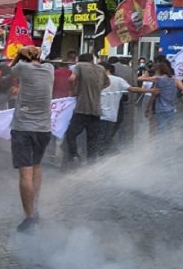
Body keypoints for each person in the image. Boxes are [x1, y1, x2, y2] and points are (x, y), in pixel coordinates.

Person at [9, 46, 54, 232]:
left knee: (25, 173)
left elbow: (12, 67)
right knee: (37, 167)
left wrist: (20, 55)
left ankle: (29, 217)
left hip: (23, 128)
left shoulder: (22, 68)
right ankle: (35, 208)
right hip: (44, 129)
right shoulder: (50, 69)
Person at [64, 52, 109, 165]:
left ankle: (74, 155)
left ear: (80, 60)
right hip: (96, 111)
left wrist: (73, 91)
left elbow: (71, 79)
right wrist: (96, 89)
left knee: (70, 134)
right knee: (92, 140)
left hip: (81, 109)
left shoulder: (79, 66)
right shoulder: (101, 68)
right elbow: (107, 83)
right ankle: (91, 164)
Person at [98, 62, 148, 155]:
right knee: (105, 138)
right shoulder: (118, 80)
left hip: (103, 115)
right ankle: (112, 155)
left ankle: (110, 156)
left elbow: (132, 89)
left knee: (103, 139)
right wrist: (149, 90)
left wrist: (149, 90)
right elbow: (132, 89)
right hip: (110, 115)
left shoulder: (108, 80)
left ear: (107, 70)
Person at [139, 62, 183, 133]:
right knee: (169, 131)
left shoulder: (158, 79)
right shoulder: (176, 80)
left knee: (161, 131)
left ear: (158, 71)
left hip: (160, 110)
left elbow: (139, 79)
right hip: (172, 110)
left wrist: (145, 75)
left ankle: (162, 143)